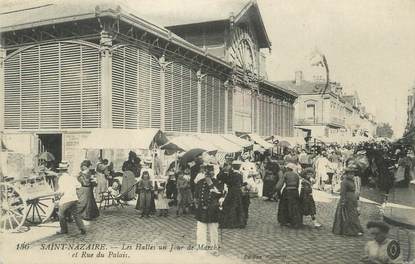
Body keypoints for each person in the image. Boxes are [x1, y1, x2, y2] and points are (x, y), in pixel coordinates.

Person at [194, 164, 224, 255]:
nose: (208, 173)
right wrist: (197, 206)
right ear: (204, 172)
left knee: (213, 231)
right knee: (200, 231)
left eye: (210, 171)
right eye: (206, 171)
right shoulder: (199, 182)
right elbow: (196, 196)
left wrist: (211, 185)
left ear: (213, 173)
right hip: (202, 210)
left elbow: (220, 195)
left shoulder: (218, 182)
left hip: (213, 210)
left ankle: (214, 249)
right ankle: (201, 249)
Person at [332, 164, 364, 236]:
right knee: (347, 215)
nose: (352, 175)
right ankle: (348, 230)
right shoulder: (344, 182)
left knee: (353, 214)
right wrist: (343, 202)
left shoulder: (353, 181)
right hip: (347, 200)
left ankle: (355, 229)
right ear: (347, 174)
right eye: (350, 174)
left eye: (353, 174)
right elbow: (342, 193)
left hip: (352, 200)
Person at [55, 161, 86, 235]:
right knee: (76, 214)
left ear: (61, 171)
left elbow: (61, 191)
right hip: (74, 198)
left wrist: (57, 194)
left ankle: (64, 230)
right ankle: (82, 228)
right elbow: (79, 185)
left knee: (60, 214)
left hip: (66, 199)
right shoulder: (72, 177)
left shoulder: (61, 178)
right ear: (66, 170)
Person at [217, 162, 246, 229]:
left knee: (228, 206)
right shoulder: (240, 175)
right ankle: (240, 222)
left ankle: (229, 223)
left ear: (232, 167)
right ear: (239, 166)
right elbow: (241, 183)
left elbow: (219, 177)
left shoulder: (230, 174)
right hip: (238, 192)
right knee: (239, 206)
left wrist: (223, 170)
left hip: (231, 192)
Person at [276, 163, 303, 228]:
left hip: (287, 191)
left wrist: (278, 191)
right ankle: (295, 221)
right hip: (295, 192)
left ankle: (284, 221)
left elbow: (279, 185)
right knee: (294, 207)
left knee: (284, 206)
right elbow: (297, 185)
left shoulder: (286, 174)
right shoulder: (296, 175)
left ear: (288, 168)